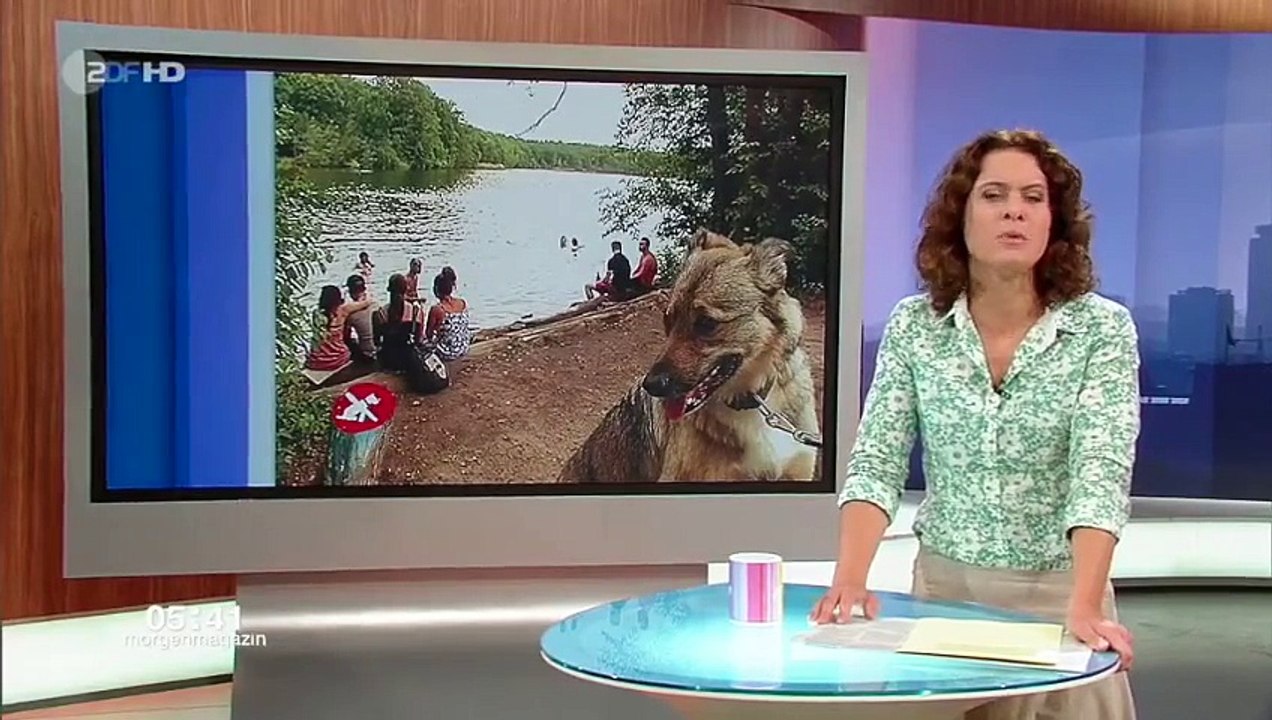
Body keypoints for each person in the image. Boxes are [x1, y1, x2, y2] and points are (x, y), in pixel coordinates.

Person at [809, 129, 1139, 720]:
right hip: (945, 598)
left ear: (1054, 222)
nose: (1014, 209)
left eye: (1033, 197)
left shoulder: (1101, 330)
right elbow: (879, 458)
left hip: (1062, 598)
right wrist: (850, 578)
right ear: (959, 217)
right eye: (994, 194)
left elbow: (1101, 471)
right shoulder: (915, 326)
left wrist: (1087, 604)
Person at [305, 285, 374, 371]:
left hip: (315, 361)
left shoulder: (316, 314)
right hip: (337, 360)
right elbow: (367, 302)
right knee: (352, 344)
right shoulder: (343, 310)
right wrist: (365, 294)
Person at [373, 273, 418, 373]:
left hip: (388, 361)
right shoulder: (414, 310)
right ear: (406, 289)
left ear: (389, 289)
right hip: (408, 360)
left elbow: (376, 341)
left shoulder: (380, 313)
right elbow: (417, 339)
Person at [425, 270, 472, 361]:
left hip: (448, 352)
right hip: (463, 346)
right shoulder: (462, 303)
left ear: (436, 289)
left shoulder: (437, 309)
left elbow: (429, 334)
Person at [343, 274, 377, 363]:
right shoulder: (375, 304)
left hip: (366, 353)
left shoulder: (351, 314)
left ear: (351, 292)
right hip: (379, 349)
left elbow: (346, 336)